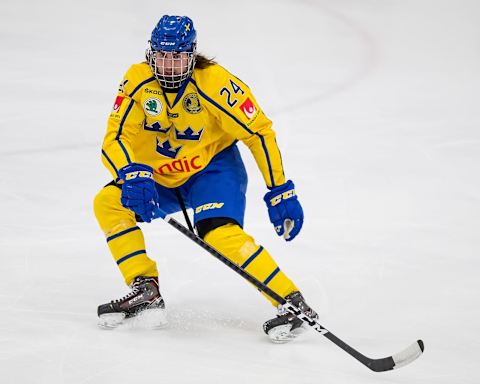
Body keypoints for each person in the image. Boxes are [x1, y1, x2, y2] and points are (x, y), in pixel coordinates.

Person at [94, 15, 317, 342]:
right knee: (108, 203)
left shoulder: (216, 83)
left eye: (178, 58)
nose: (169, 66)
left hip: (212, 170)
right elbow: (113, 139)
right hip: (159, 176)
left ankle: (291, 300)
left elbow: (259, 133)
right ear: (151, 54)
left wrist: (279, 189)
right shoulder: (136, 81)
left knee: (218, 233)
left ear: (192, 55)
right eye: (162, 57)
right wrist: (129, 173)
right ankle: (146, 289)